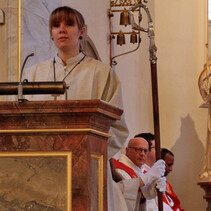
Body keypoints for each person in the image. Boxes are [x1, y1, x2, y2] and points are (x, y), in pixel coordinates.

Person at [24, 6, 129, 211]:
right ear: (51, 33)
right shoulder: (33, 72)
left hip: (87, 169)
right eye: (56, 25)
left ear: (82, 30)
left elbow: (117, 128)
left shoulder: (102, 73)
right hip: (40, 169)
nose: (62, 30)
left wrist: (87, 155)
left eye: (69, 24)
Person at [111, 136, 166, 211]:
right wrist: (146, 179)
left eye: (145, 151)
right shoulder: (118, 170)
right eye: (139, 150)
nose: (142, 154)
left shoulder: (142, 171)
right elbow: (123, 196)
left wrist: (151, 190)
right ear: (127, 151)